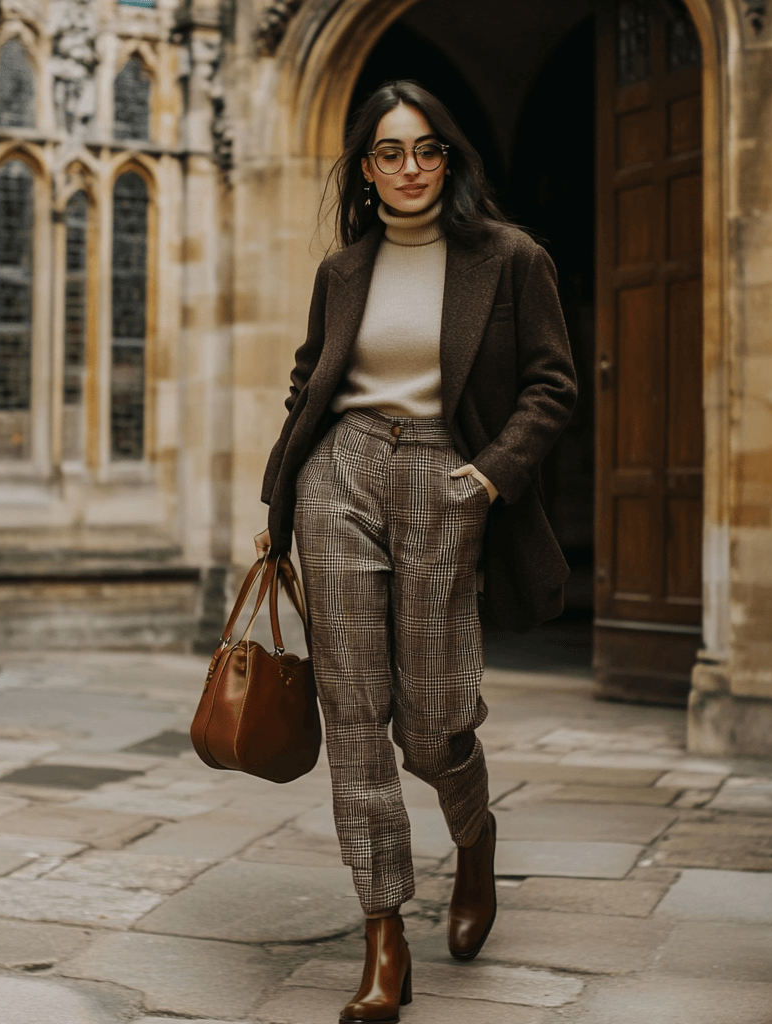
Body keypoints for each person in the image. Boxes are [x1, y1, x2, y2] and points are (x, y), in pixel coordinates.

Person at [256, 80, 576, 1024]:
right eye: (388, 153)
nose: (408, 168)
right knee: (353, 715)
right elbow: (310, 379)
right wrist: (286, 489)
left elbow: (551, 387)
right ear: (366, 167)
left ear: (451, 159)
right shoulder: (343, 269)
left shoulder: (510, 258)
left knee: (432, 724)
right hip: (341, 474)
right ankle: (383, 936)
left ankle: (473, 837)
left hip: (447, 476)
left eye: (425, 150)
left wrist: (487, 478)